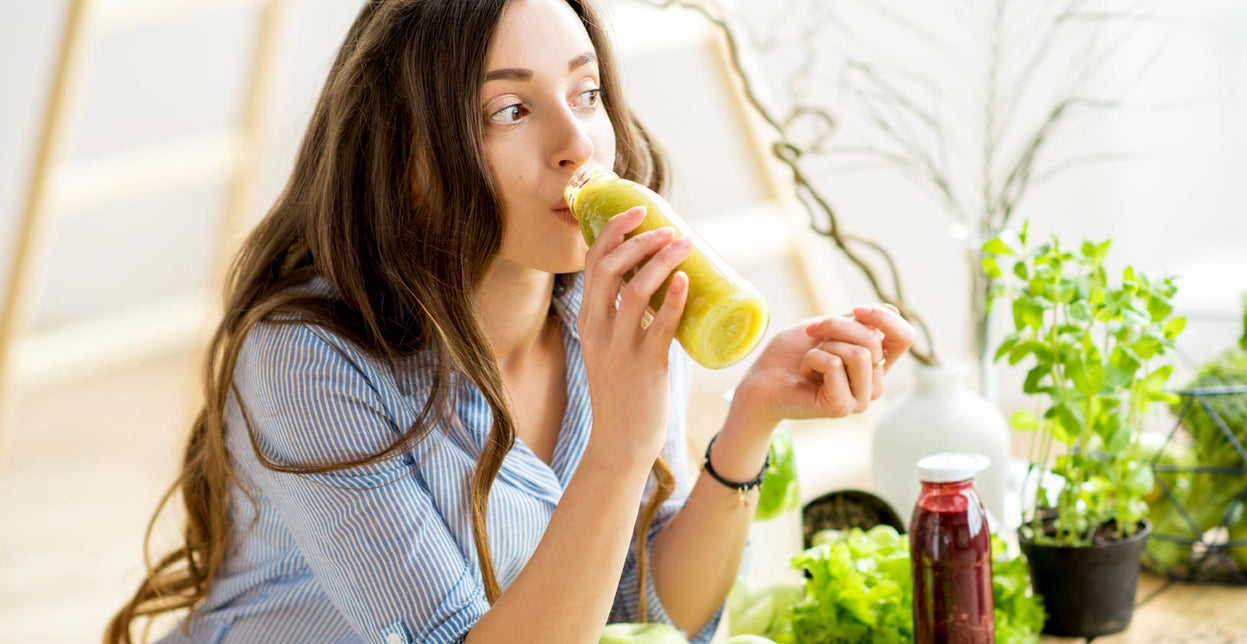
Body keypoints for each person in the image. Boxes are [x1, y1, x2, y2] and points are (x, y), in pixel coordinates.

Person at [104, 1, 914, 642]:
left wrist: (751, 419)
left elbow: (635, 612)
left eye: (586, 93)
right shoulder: (306, 363)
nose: (577, 144)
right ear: (413, 157)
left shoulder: (614, 314)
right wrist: (621, 447)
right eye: (511, 110)